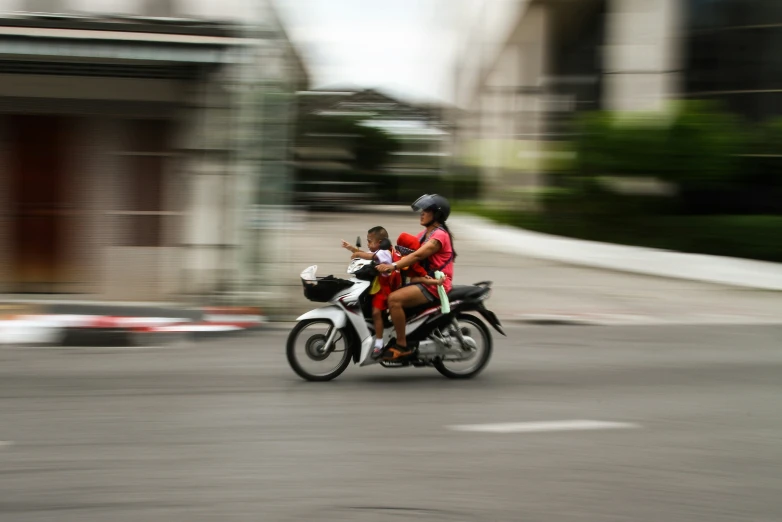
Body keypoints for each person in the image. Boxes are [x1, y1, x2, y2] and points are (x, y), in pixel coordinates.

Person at [375, 194, 456, 360]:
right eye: (422, 210)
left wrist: (393, 266)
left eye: (427, 210)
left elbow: (418, 256)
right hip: (422, 280)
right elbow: (403, 252)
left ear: (437, 215)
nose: (422, 213)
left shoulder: (439, 236)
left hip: (435, 284)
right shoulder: (423, 235)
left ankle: (402, 345)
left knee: (394, 299)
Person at [341, 226, 401, 357]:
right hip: (377, 286)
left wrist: (356, 253)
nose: (368, 244)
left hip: (384, 289)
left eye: (369, 241)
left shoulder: (383, 252)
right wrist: (351, 249)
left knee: (376, 313)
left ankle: (379, 344)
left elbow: (368, 256)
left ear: (379, 242)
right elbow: (368, 255)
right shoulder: (379, 250)